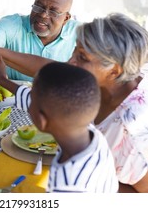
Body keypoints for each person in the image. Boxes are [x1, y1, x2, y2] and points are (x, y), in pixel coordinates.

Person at [0, 13, 148, 192]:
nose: (70, 62)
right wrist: (3, 79)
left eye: (81, 57)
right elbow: (51, 89)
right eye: (75, 51)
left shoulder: (136, 133)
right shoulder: (113, 81)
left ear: (114, 70)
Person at [29, 62, 118, 192]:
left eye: (31, 99)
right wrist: (2, 79)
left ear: (41, 121)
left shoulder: (68, 185)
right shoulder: (92, 134)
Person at [0, 0, 79, 81]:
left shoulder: (81, 34)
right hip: (12, 101)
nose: (43, 15)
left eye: (53, 11)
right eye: (38, 6)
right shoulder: (13, 24)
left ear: (66, 18)